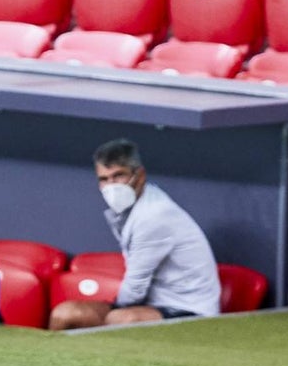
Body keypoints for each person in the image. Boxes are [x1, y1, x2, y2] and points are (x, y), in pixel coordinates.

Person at [48, 139, 222, 331]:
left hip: (189, 310)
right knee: (65, 314)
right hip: (148, 305)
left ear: (139, 175)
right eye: (104, 179)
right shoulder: (130, 209)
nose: (111, 186)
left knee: (120, 320)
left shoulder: (154, 215)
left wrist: (109, 311)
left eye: (118, 176)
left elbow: (135, 289)